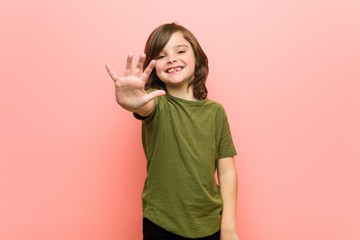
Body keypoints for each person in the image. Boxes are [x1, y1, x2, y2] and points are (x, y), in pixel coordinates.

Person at [106, 23, 239, 240]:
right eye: (161, 55)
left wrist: (229, 227)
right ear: (154, 66)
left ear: (196, 57)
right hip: (161, 223)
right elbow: (143, 106)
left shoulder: (216, 112)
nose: (171, 58)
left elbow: (226, 172)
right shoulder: (156, 103)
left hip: (210, 223)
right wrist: (132, 101)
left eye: (180, 51)